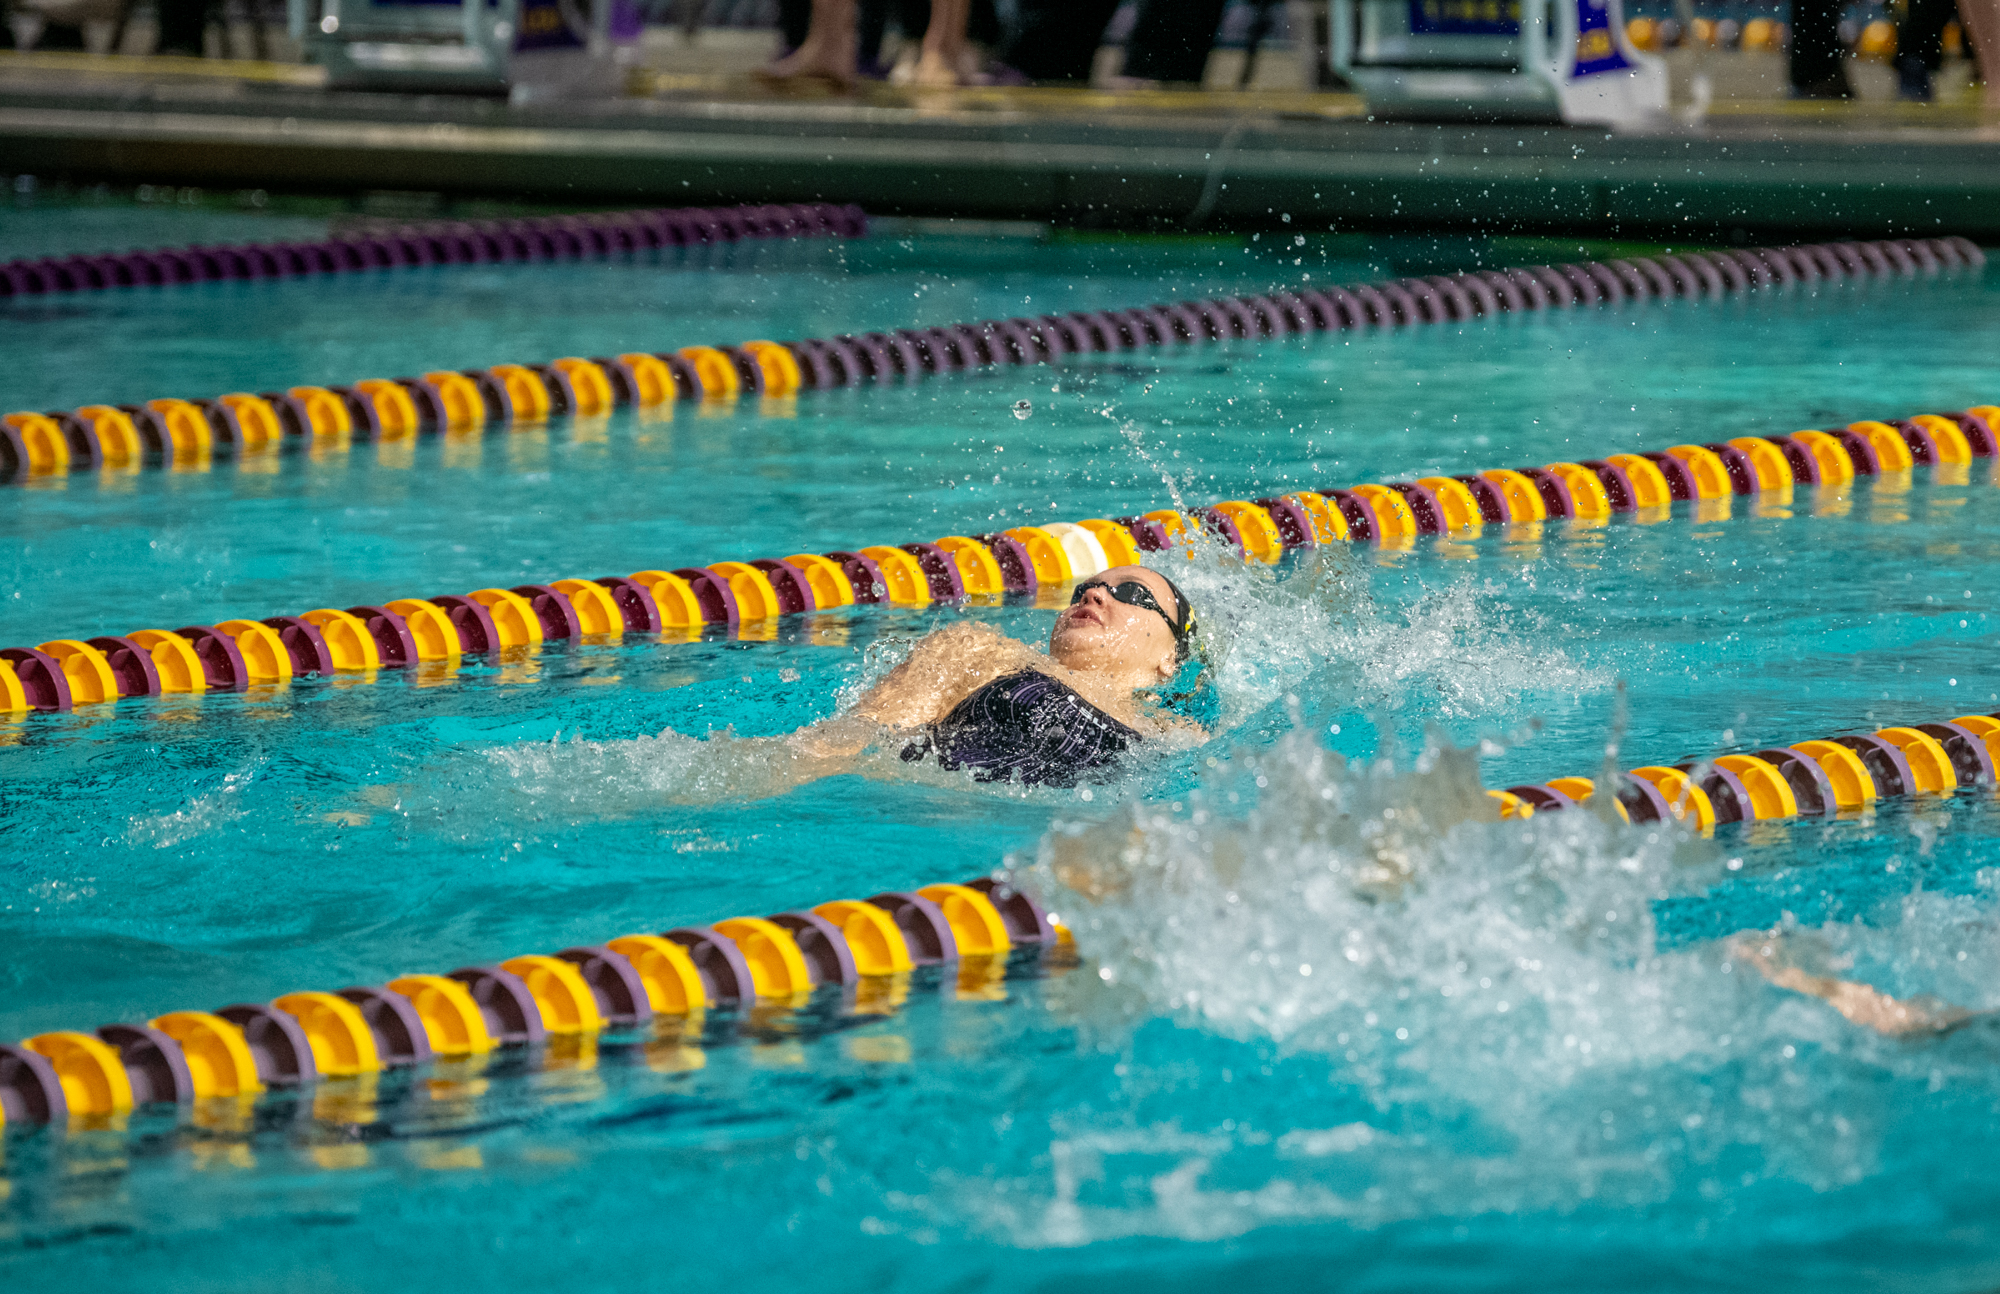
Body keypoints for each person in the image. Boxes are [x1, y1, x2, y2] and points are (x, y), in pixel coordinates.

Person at [794, 564, 1206, 787]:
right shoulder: (980, 651)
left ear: (1170, 658)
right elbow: (857, 740)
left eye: (1131, 592)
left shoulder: (1183, 737)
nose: (1093, 594)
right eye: (1084, 588)